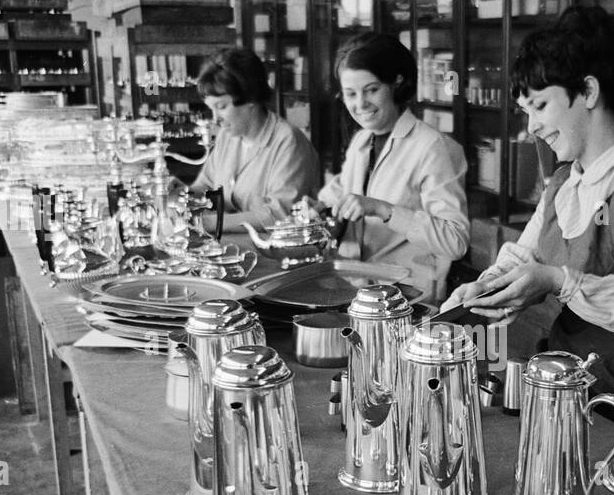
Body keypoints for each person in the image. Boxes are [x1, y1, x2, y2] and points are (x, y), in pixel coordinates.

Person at [444, 6, 614, 395]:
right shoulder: (565, 180)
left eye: (541, 106)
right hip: (567, 377)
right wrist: (486, 288)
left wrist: (559, 281)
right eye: (526, 112)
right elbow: (523, 256)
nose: (532, 127)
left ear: (589, 92)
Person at [316, 32, 470, 302]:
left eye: (372, 90)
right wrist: (317, 208)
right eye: (351, 94)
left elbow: (455, 241)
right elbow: (339, 193)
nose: (360, 104)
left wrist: (383, 210)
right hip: (355, 291)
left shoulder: (432, 147)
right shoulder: (362, 140)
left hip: (408, 298)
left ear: (396, 83)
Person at [190, 47, 320, 234]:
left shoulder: (288, 143)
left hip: (275, 255)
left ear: (250, 98)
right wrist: (181, 195)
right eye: (211, 109)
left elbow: (277, 214)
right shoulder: (227, 136)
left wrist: (210, 223)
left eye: (222, 106)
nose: (215, 118)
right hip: (232, 250)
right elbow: (206, 186)